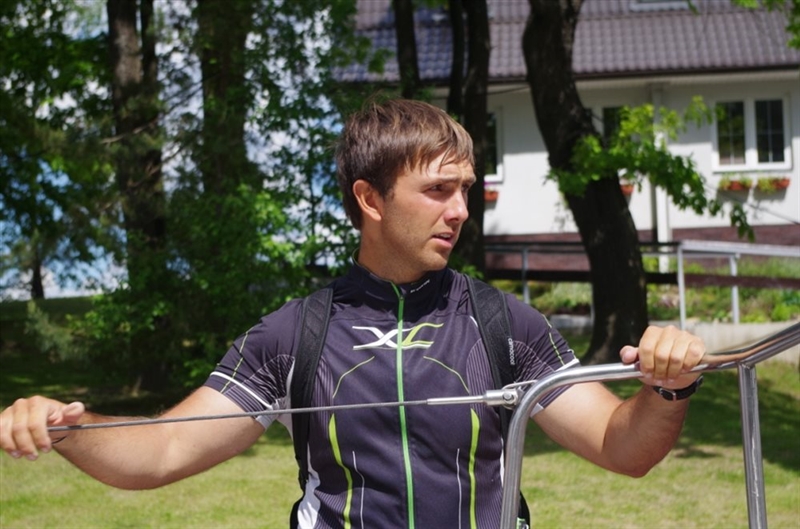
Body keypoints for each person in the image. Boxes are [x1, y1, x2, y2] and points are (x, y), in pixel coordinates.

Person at [0, 99, 705, 528]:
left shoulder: (504, 323)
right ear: (371, 199)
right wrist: (68, 426)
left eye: (465, 189)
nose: (460, 210)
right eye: (438, 190)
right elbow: (161, 452)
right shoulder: (292, 334)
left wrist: (666, 387)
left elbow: (622, 447)